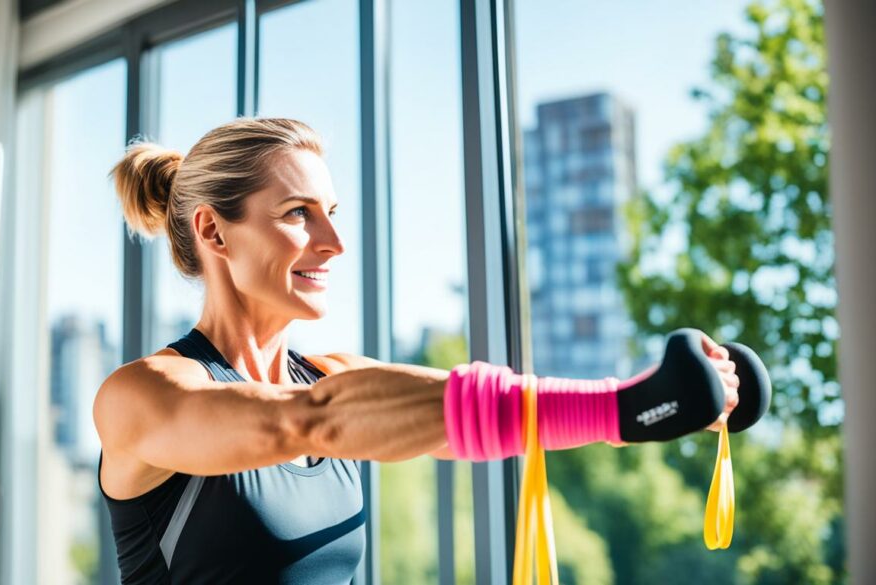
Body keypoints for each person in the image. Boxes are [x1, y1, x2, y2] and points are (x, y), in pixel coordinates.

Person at [94, 117, 739, 584]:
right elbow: (307, 419)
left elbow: (465, 418)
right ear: (213, 230)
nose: (334, 242)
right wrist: (622, 406)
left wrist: (651, 408)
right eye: (298, 213)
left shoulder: (332, 373)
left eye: (333, 212)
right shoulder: (142, 395)